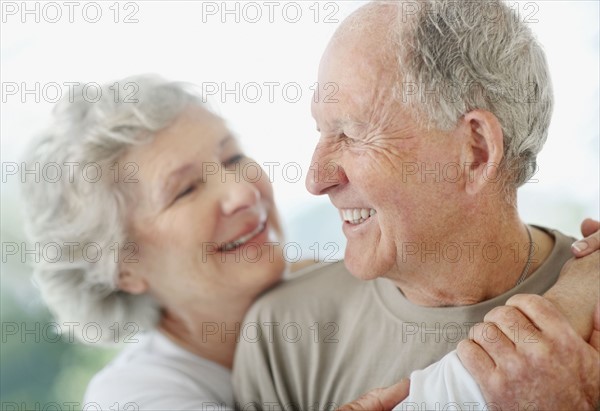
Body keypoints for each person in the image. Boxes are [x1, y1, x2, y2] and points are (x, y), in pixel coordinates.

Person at [232, 1, 600, 409]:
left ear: (475, 152)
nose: (316, 178)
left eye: (352, 133)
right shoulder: (284, 332)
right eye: (322, 130)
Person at [21, 75, 289, 409]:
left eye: (232, 158)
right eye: (186, 189)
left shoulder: (336, 290)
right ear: (123, 269)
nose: (244, 192)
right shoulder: (129, 397)